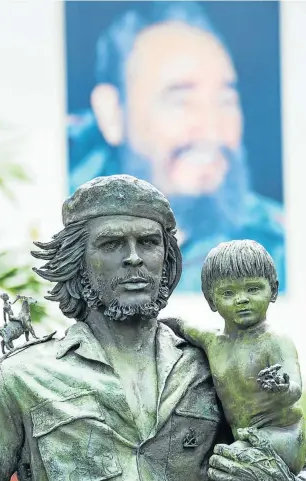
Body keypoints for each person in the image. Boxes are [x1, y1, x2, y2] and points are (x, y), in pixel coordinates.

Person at [0, 176, 306, 481]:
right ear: (79, 260)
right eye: (112, 244)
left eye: (148, 242)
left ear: (166, 258)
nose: (134, 258)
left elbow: (299, 466)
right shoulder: (19, 381)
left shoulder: (213, 366)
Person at [67, 1, 286, 292]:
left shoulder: (279, 242)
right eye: (180, 101)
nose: (211, 128)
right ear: (113, 115)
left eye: (225, 100)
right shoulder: (60, 228)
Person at [166, 240, 306, 474]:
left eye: (253, 289)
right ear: (211, 301)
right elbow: (181, 325)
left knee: (227, 464)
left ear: (273, 290)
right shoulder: (213, 341)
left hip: (283, 437)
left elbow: (295, 389)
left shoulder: (275, 341)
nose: (242, 299)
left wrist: (282, 387)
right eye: (228, 293)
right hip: (243, 437)